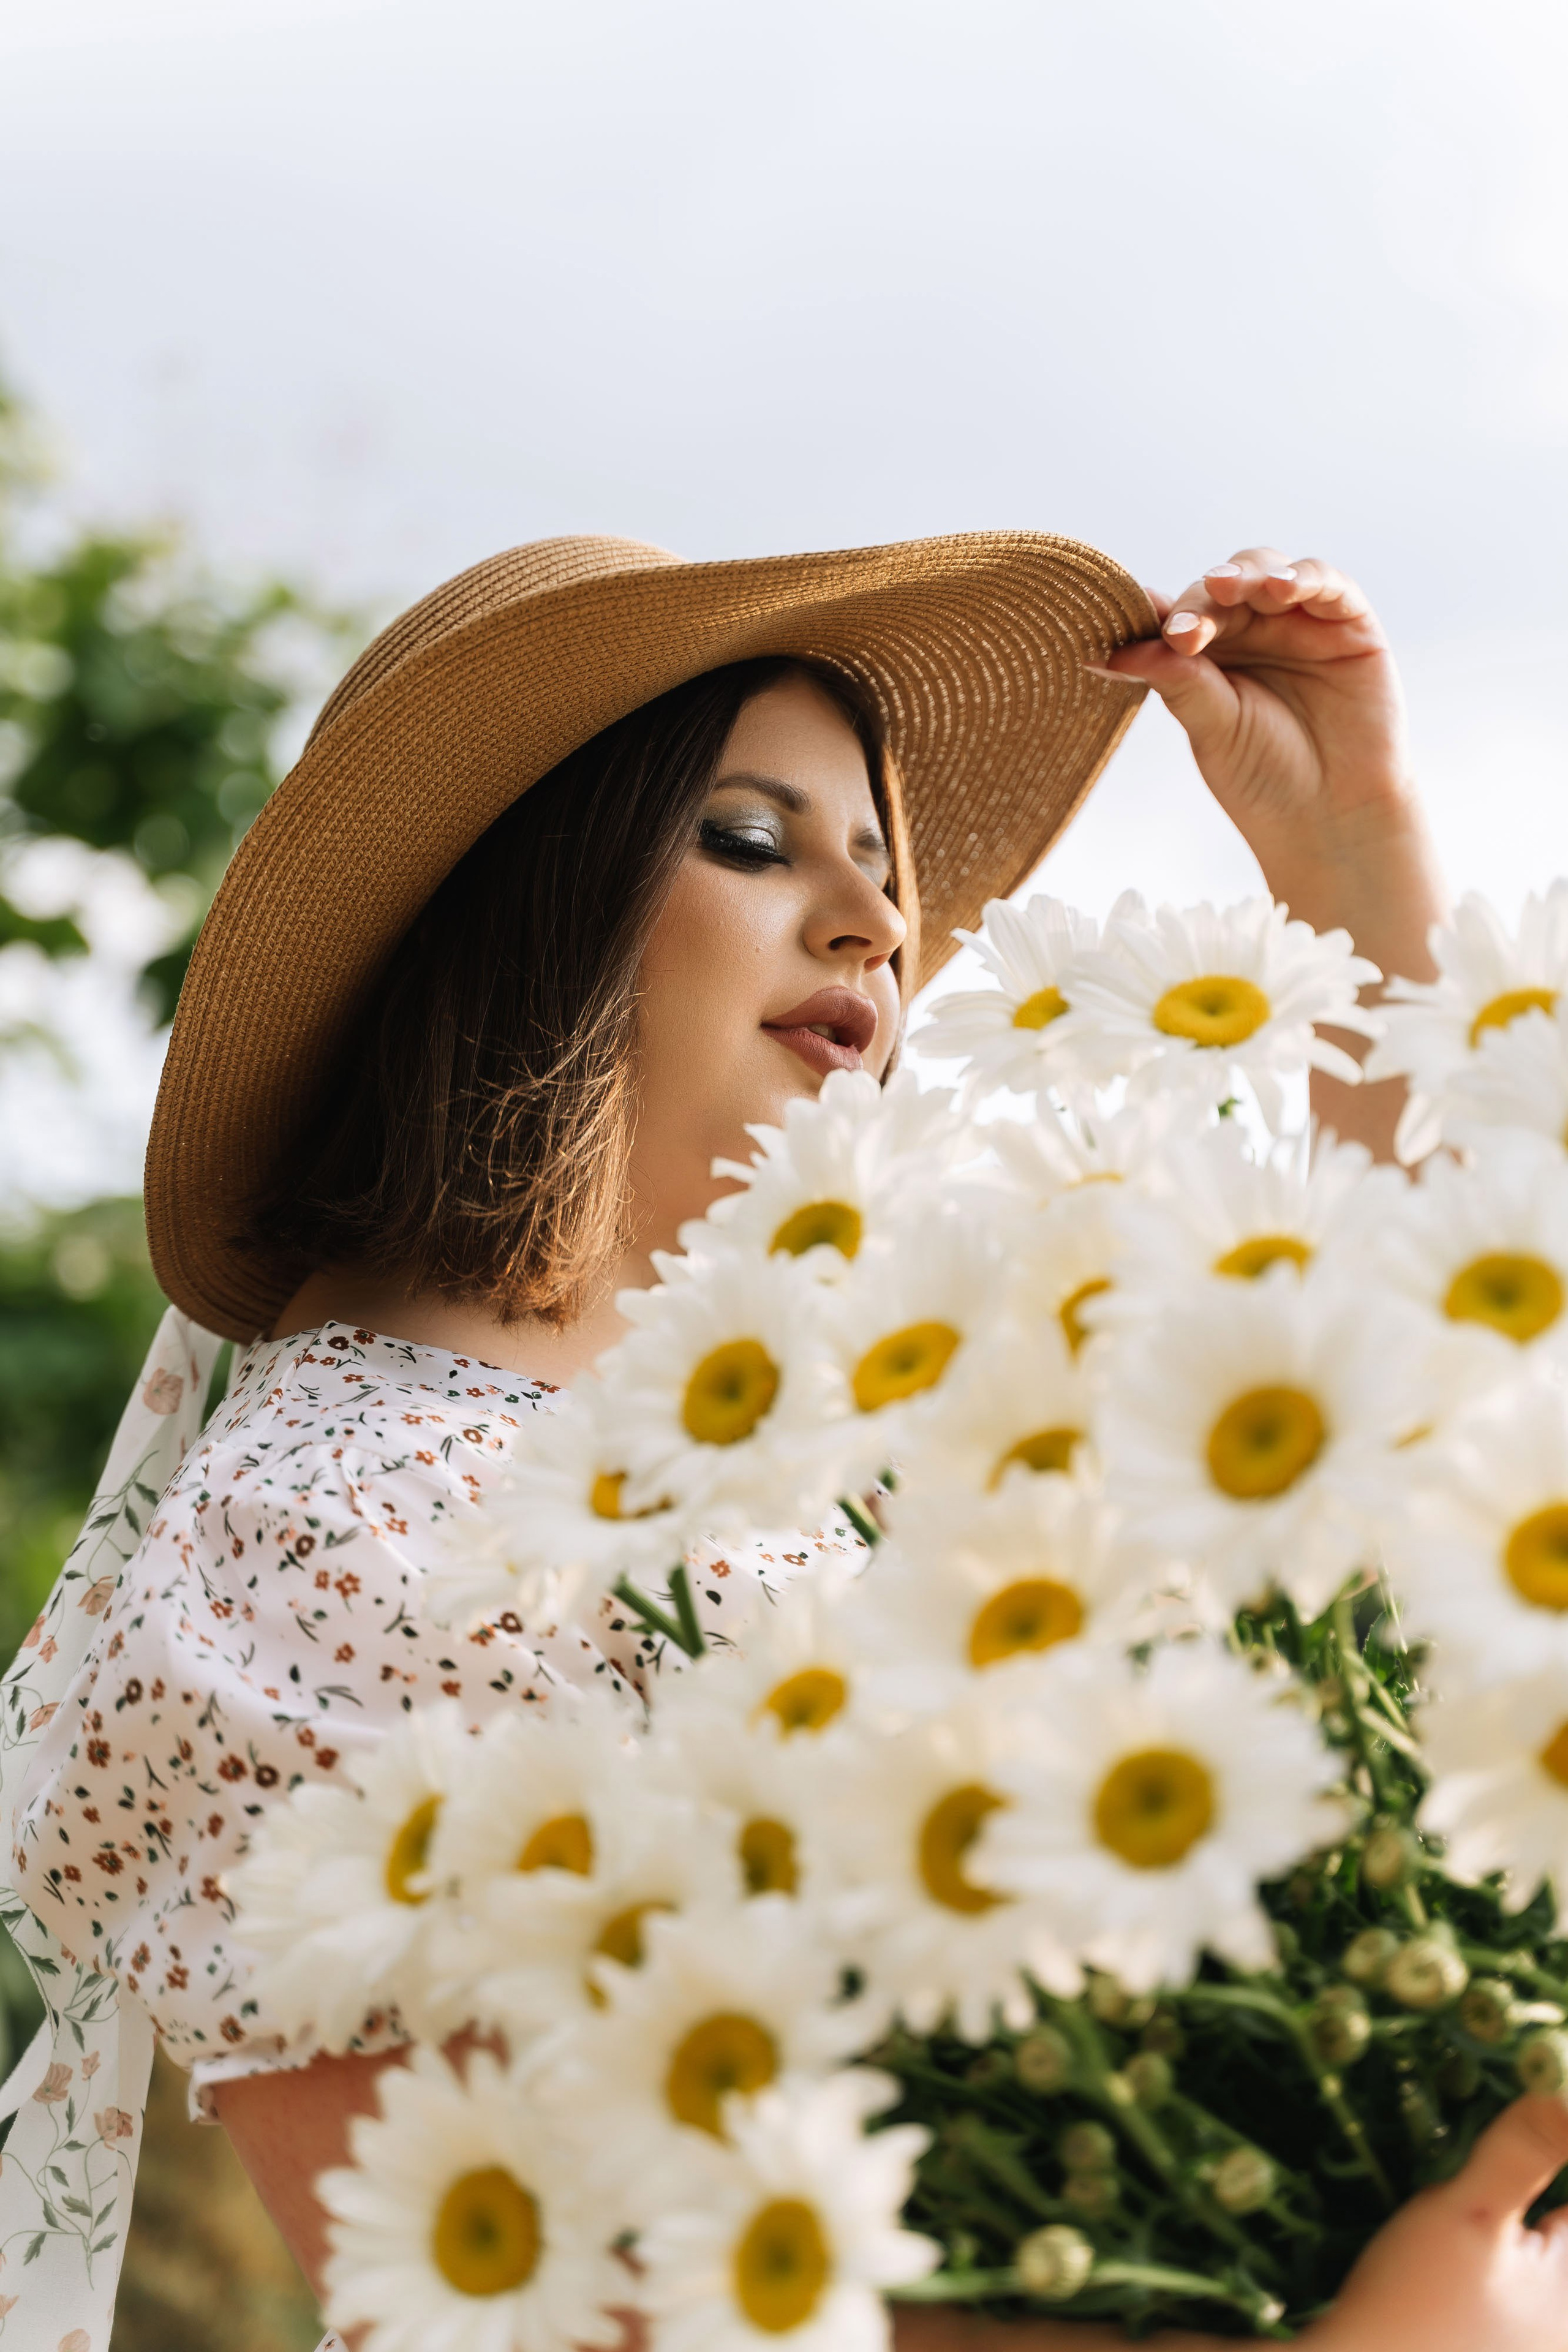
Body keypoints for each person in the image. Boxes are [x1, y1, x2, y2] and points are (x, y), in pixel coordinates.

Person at [2, 527, 1563, 2352]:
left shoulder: (899, 1433)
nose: (879, 925)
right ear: (515, 908)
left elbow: (1445, 1449)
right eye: (749, 839)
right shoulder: (332, 1531)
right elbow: (534, 2305)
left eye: (884, 874)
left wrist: (1347, 851)